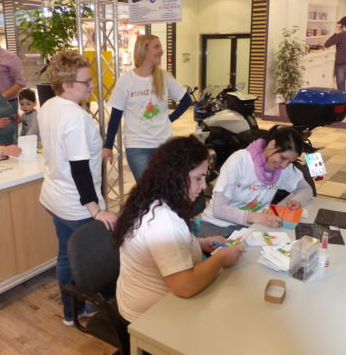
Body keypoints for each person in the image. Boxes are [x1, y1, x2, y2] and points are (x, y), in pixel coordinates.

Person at [114, 135, 244, 323]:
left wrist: (200, 243)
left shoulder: (151, 198)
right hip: (147, 319)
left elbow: (157, 246)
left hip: (138, 301)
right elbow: (185, 286)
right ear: (175, 176)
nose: (203, 186)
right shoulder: (163, 220)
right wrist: (221, 258)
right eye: (198, 178)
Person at [38, 50, 117, 326]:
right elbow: (79, 169)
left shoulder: (50, 106)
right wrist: (96, 211)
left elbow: (67, 153)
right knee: (97, 258)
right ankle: (97, 306)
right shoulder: (75, 116)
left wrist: (98, 154)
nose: (92, 85)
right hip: (77, 205)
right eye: (86, 82)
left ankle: (71, 313)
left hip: (56, 198)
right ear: (67, 84)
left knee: (65, 256)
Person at [103, 34, 191, 181]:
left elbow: (186, 100)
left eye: (160, 46)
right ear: (143, 50)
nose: (161, 50)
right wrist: (108, 146)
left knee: (166, 187)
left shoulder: (165, 77)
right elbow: (115, 116)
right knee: (148, 187)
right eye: (156, 47)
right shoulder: (126, 80)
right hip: (137, 147)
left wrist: (169, 119)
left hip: (164, 144)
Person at [200, 126, 314, 237]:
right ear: (272, 144)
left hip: (252, 226)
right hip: (217, 226)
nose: (284, 166)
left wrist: (297, 200)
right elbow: (219, 210)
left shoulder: (283, 168)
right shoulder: (240, 161)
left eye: (290, 162)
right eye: (283, 158)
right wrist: (258, 218)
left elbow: (306, 189)